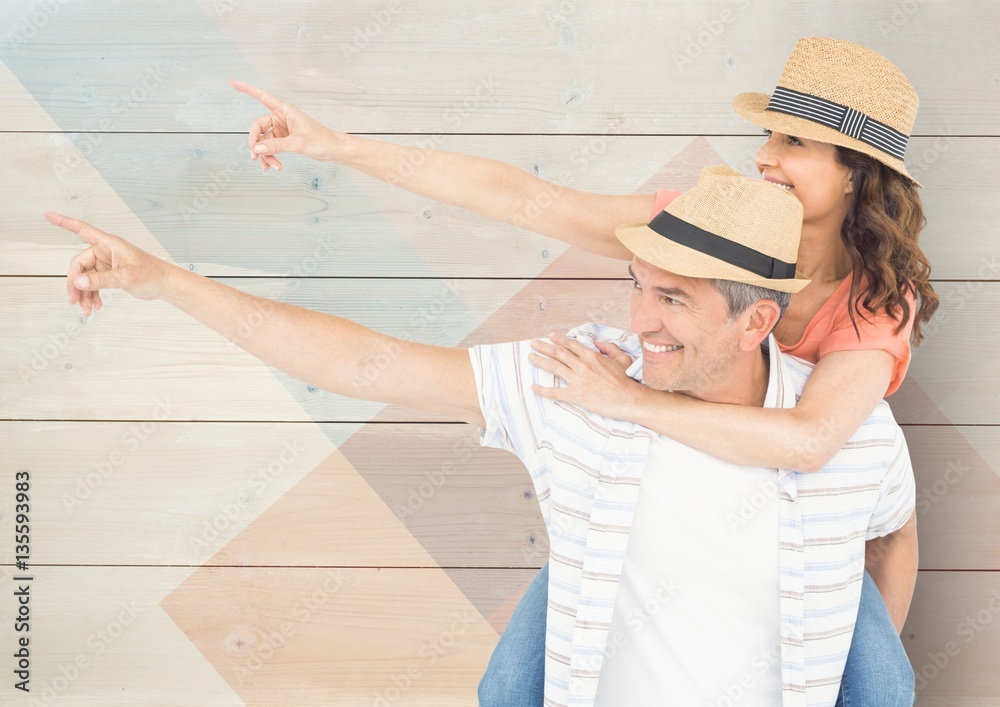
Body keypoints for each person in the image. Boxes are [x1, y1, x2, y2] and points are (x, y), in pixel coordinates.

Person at [229, 36, 934, 706]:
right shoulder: (704, 227)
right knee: (511, 685)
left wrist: (627, 401)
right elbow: (516, 198)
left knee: (878, 685)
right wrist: (335, 146)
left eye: (793, 142)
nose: (764, 154)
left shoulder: (876, 297)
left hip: (789, 515)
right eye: (770, 134)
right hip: (665, 487)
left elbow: (810, 442)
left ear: (854, 174)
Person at [50, 165, 916, 706]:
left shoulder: (852, 430)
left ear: (757, 319)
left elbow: (894, 534)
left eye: (673, 300)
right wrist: (164, 282)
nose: (637, 320)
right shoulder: (576, 378)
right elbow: (365, 363)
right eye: (637, 286)